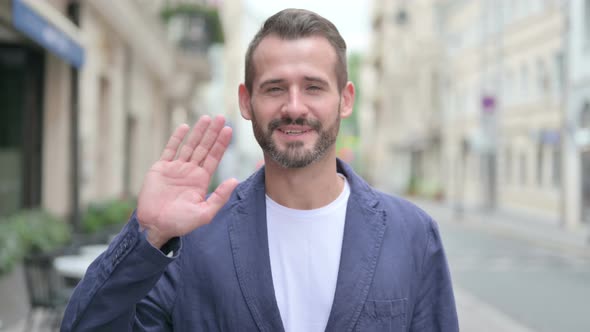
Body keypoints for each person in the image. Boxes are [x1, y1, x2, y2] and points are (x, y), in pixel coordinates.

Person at [60, 8, 458, 332]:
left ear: (346, 99)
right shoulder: (190, 238)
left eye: (314, 87)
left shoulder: (412, 235)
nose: (295, 106)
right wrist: (147, 235)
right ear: (247, 102)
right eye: (275, 88)